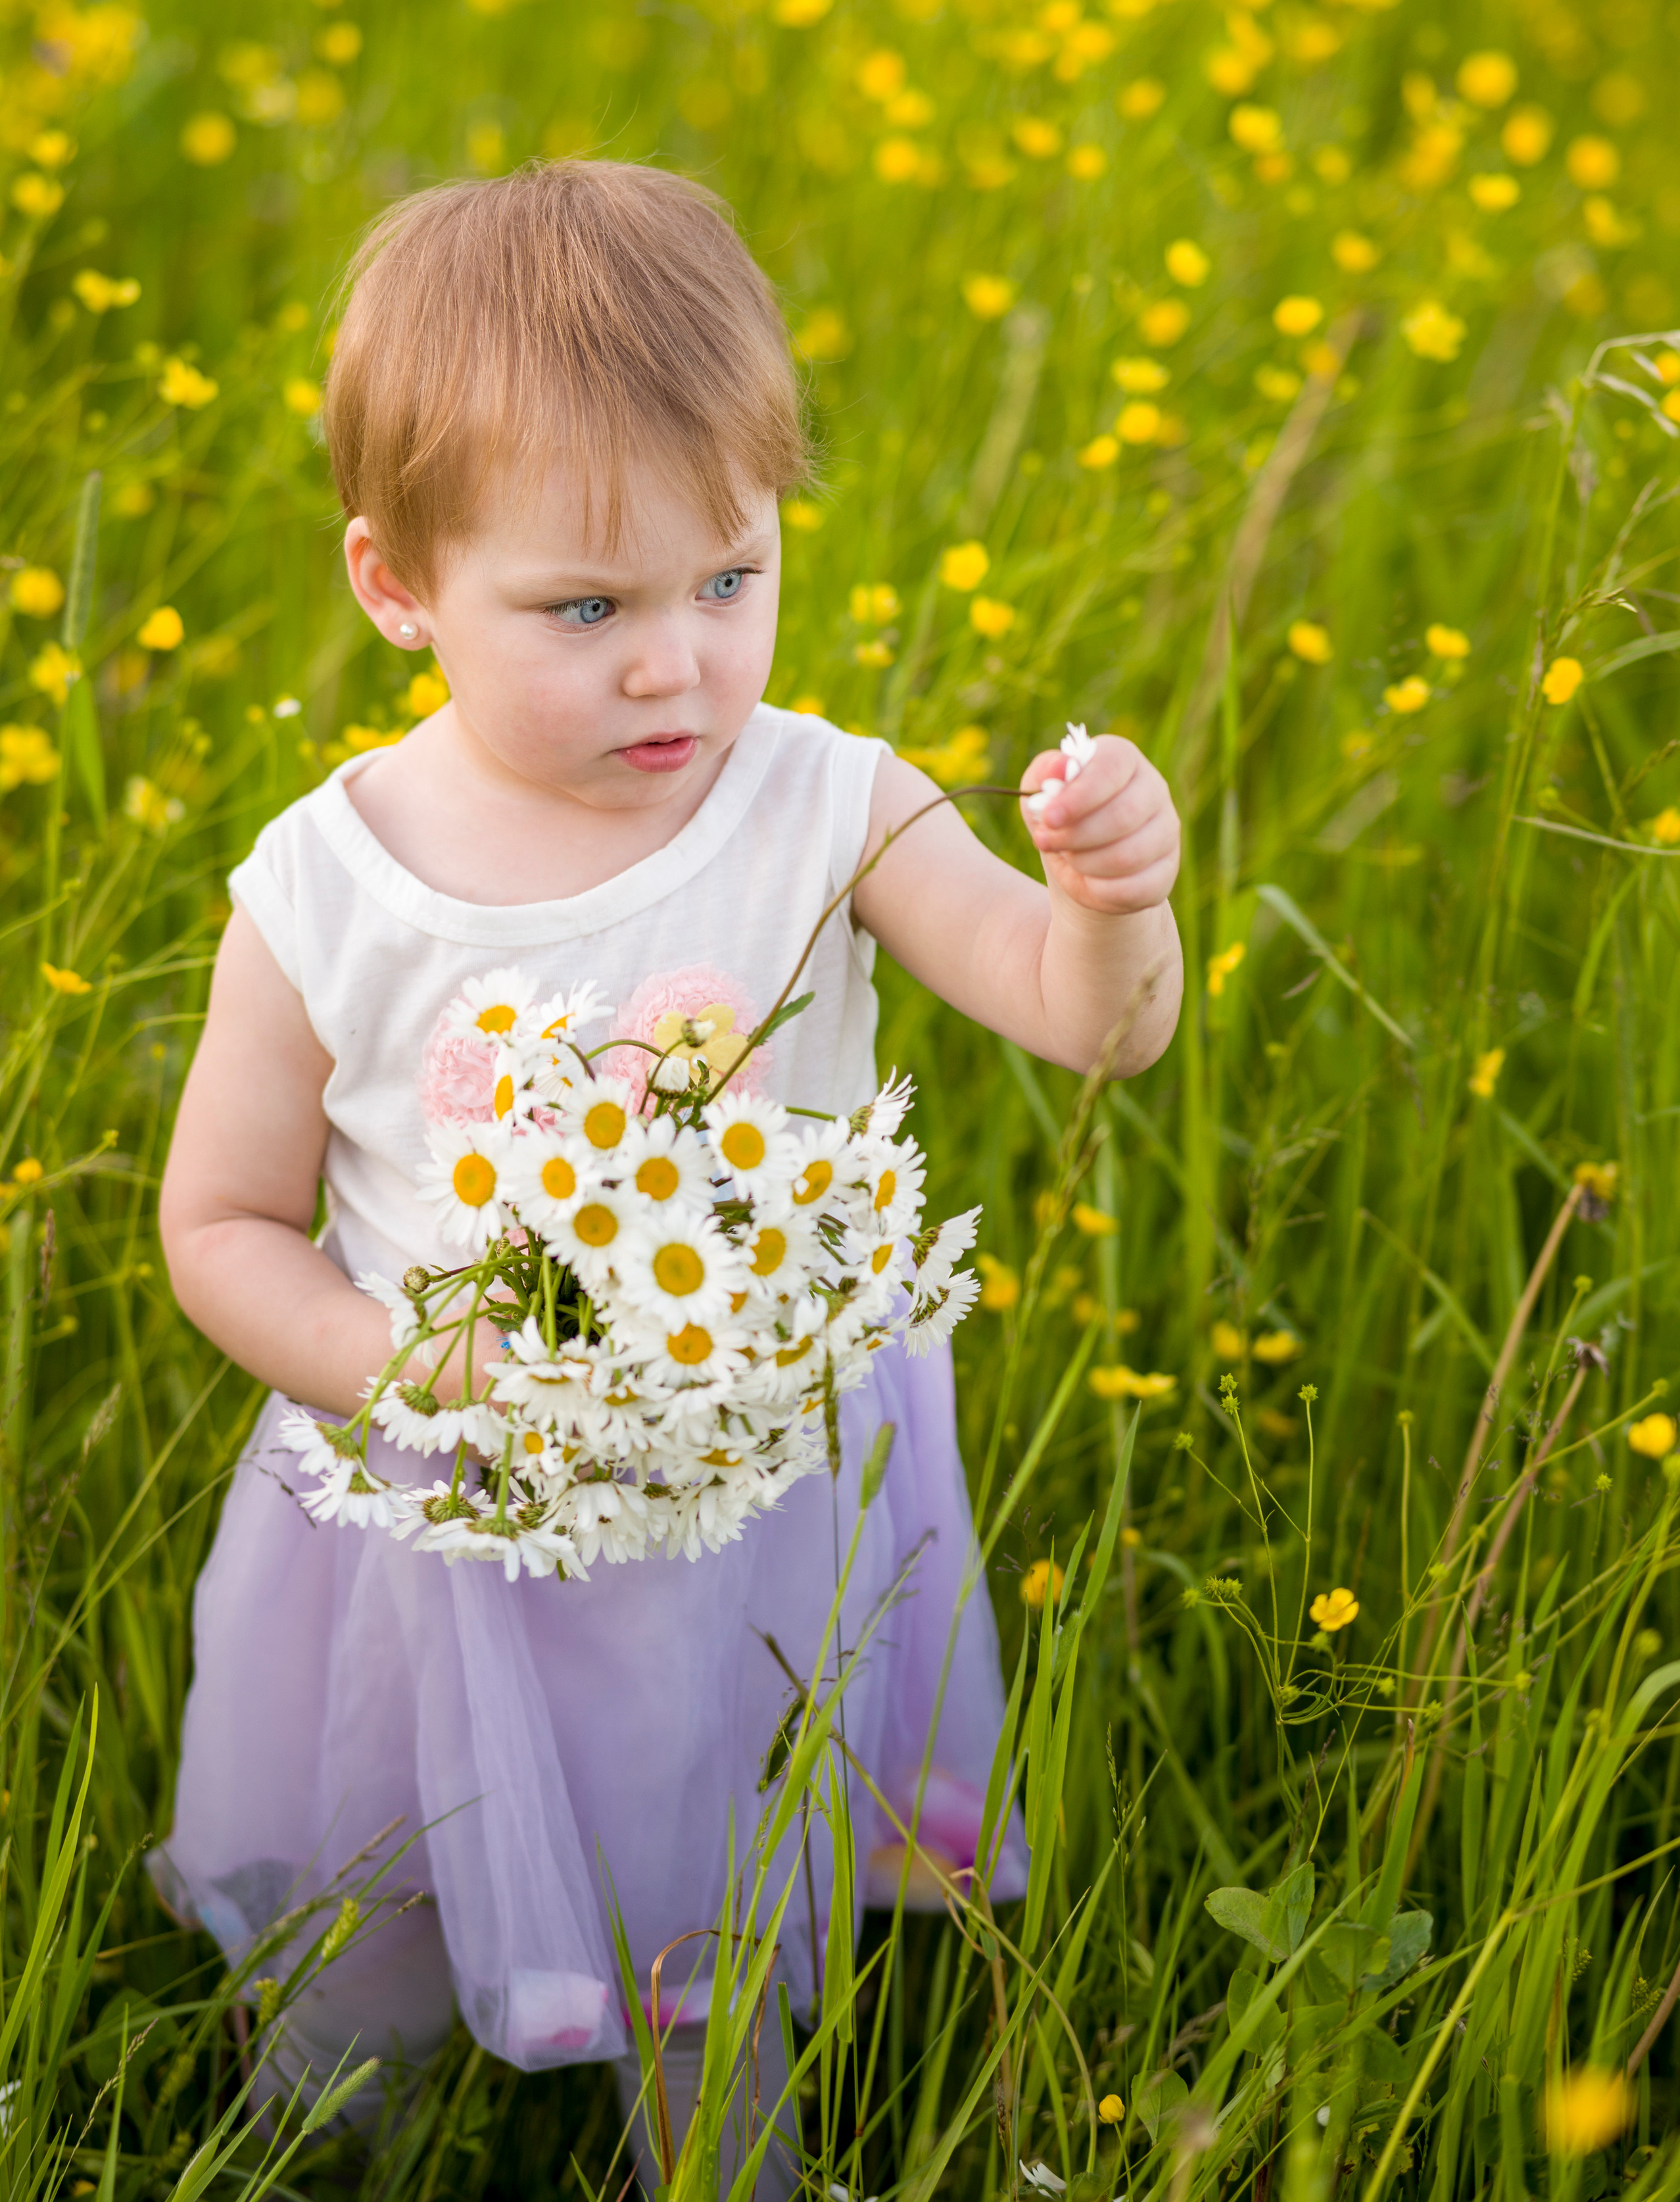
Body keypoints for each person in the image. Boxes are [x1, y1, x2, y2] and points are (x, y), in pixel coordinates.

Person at [152, 157, 1183, 2188]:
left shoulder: (828, 802)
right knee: (379, 1880)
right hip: (438, 1505)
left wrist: (1111, 902)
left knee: (715, 1866)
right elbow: (220, 1225)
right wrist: (415, 1367)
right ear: (396, 587)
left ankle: (718, 2138)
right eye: (585, 609)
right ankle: (329, 2130)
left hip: (748, 1493)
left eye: (731, 578)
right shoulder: (330, 885)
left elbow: (1090, 1023)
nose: (675, 668)